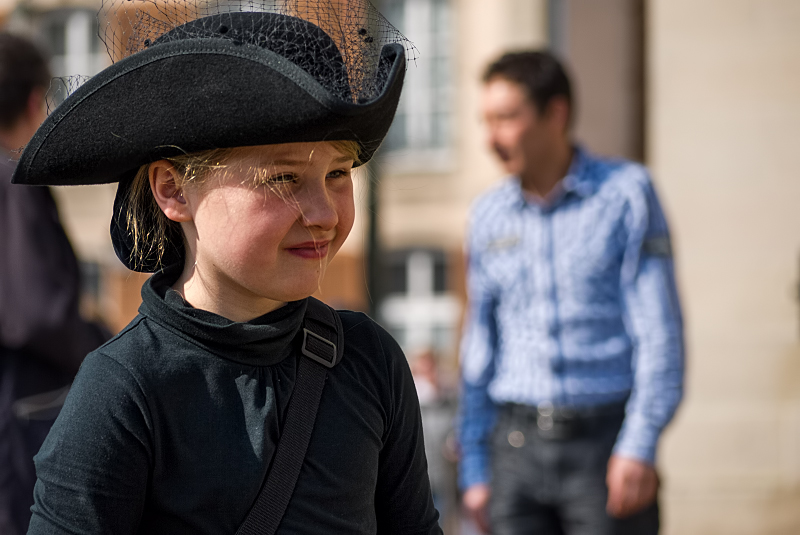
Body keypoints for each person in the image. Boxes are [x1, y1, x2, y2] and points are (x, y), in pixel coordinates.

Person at [12, 2, 441, 533]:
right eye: (283, 179)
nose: (327, 213)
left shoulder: (369, 361)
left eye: (337, 173)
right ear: (173, 191)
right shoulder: (124, 390)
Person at [457, 50, 684, 534]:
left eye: (506, 118)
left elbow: (659, 332)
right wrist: (474, 467)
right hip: (512, 451)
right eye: (486, 120)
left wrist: (639, 445)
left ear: (555, 113)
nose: (491, 138)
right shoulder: (486, 216)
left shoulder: (626, 195)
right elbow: (479, 346)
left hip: (603, 451)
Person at [0, 32, 110, 535]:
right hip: (17, 415)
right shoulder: (13, 180)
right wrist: (104, 348)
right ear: (30, 101)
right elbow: (39, 311)